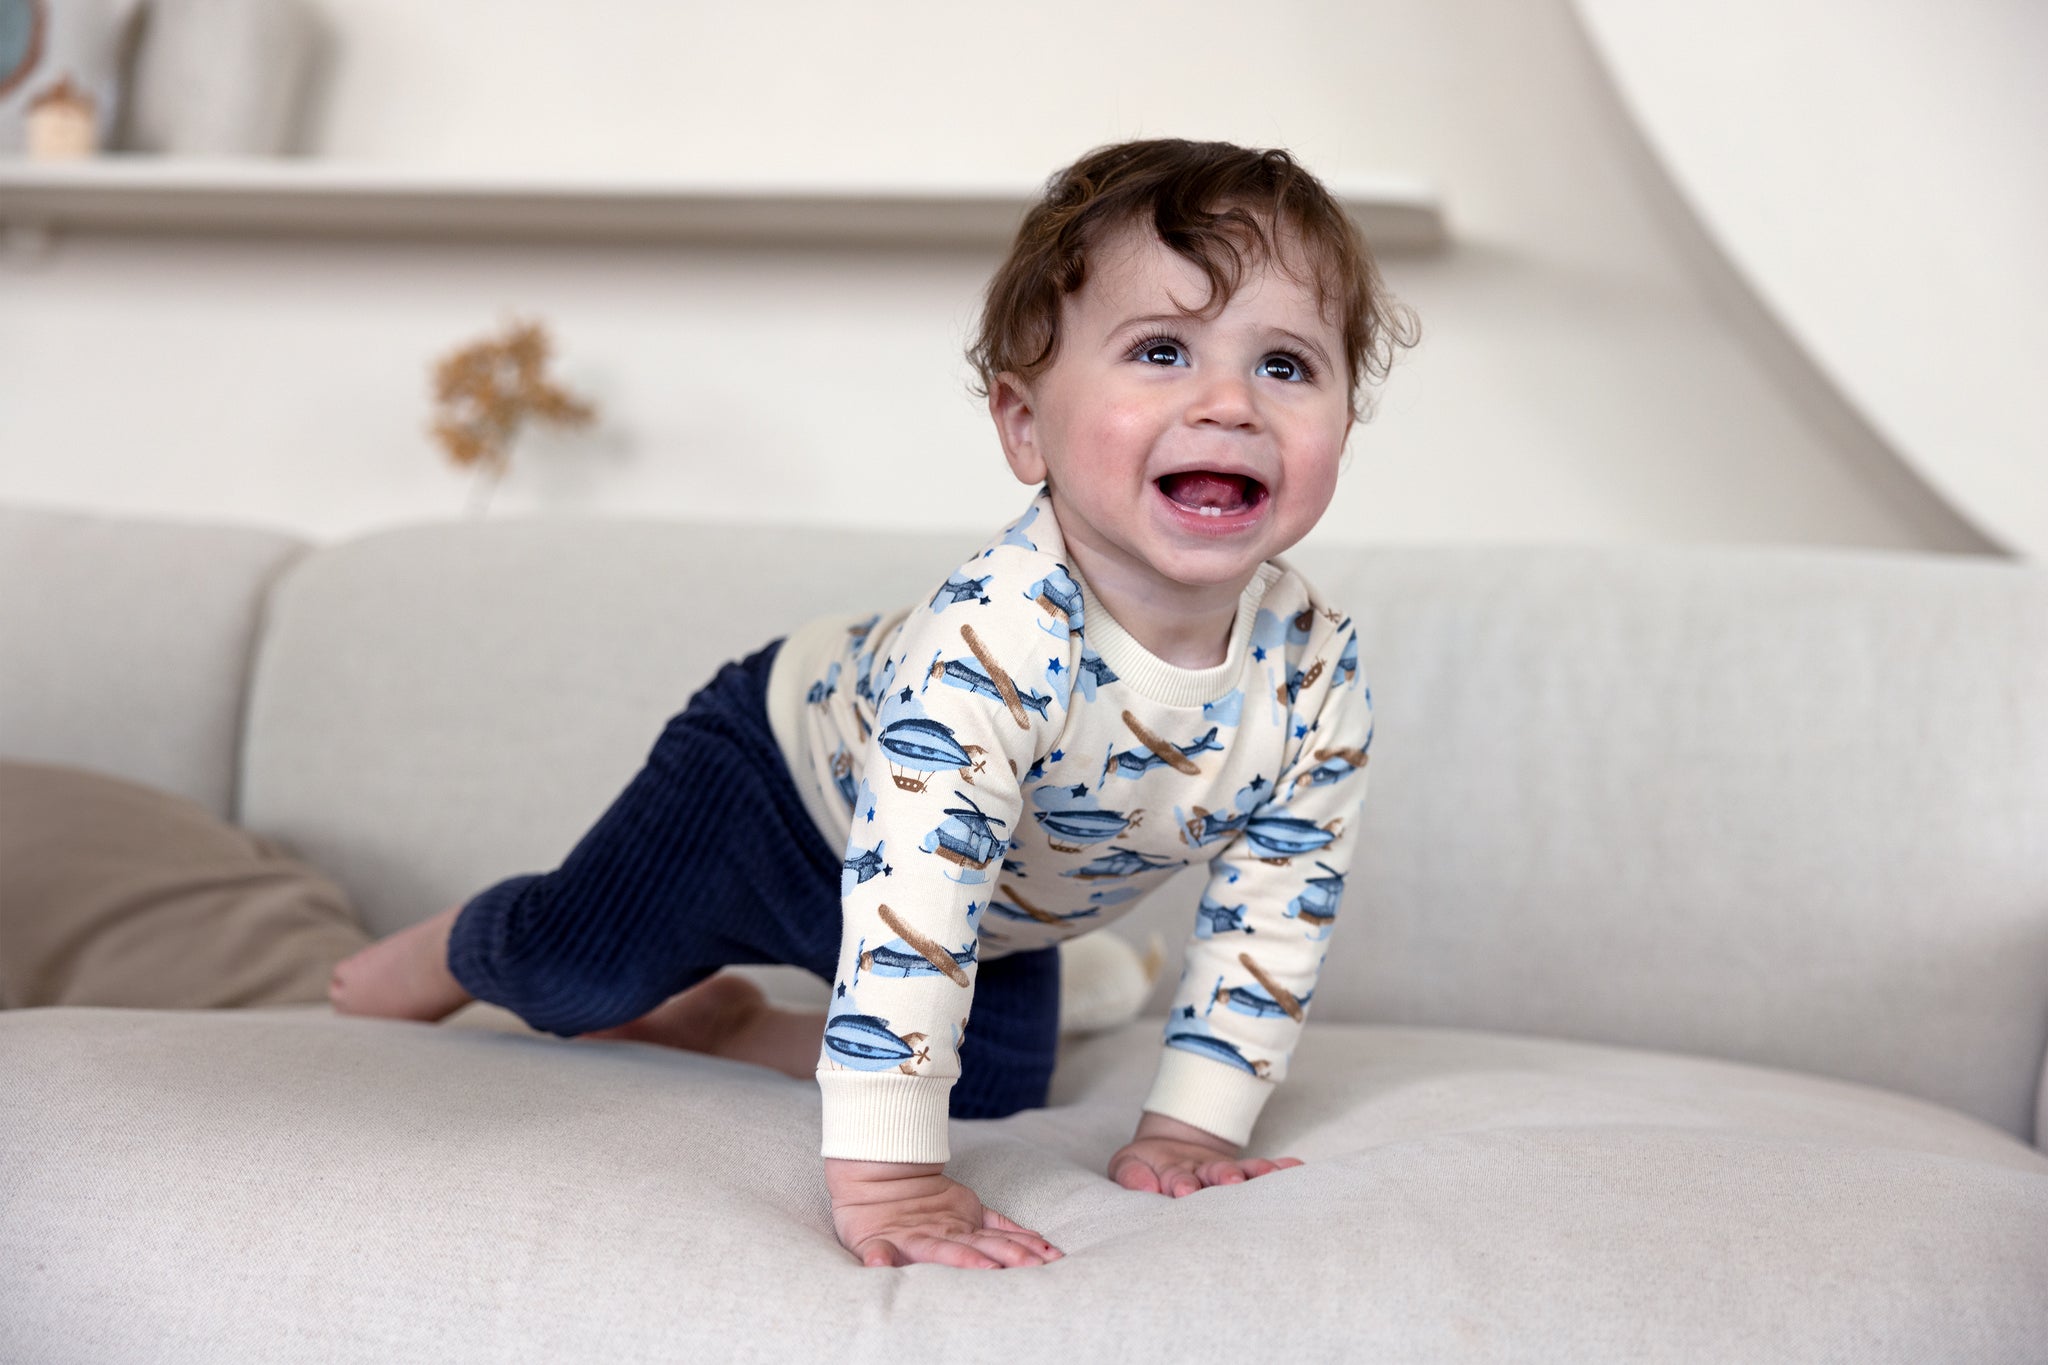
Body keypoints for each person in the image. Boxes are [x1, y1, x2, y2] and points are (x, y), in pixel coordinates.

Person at [330, 136, 1419, 1270]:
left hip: (989, 897)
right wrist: (892, 1180)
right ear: (1023, 424)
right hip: (771, 784)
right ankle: (467, 941)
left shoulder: (1313, 673)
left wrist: (1191, 1129)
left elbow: (1273, 910)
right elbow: (915, 901)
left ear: (1345, 425)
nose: (1230, 403)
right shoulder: (997, 639)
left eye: (1285, 365)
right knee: (575, 973)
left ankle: (730, 1022)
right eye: (1161, 350)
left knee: (997, 1085)